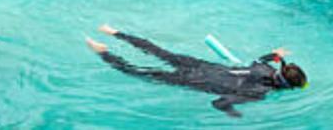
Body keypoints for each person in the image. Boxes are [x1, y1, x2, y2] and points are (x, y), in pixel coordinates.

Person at [85, 24, 307, 117]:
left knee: (159, 52)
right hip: (193, 80)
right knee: (138, 72)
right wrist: (234, 113)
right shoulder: (258, 94)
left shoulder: (264, 68)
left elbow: (260, 58)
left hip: (200, 66)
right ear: (286, 88)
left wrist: (275, 54)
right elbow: (218, 103)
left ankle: (113, 32)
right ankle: (102, 52)